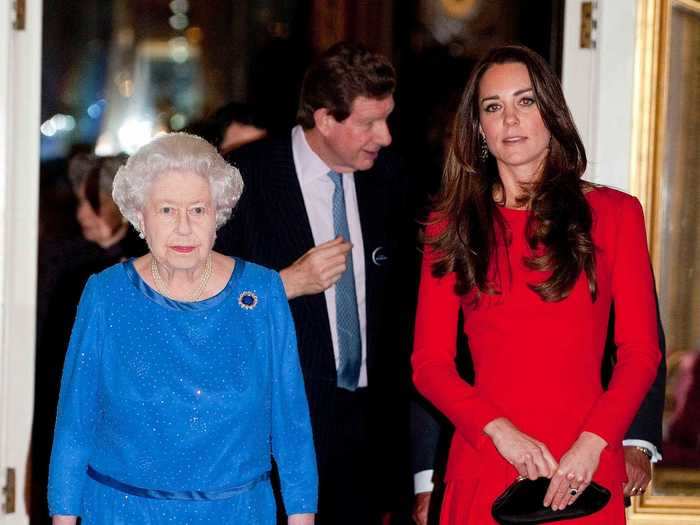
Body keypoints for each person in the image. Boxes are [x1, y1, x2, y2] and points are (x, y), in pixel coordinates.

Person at [411, 45, 661, 524]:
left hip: (585, 466)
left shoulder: (615, 215)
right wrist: (500, 432)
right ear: (479, 129)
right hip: (486, 457)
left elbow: (641, 352)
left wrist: (595, 443)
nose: (511, 119)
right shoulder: (451, 225)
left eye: (525, 101)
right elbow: (429, 364)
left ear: (551, 112)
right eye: (493, 107)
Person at [47, 133, 317, 525]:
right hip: (123, 513)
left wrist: (302, 516)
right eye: (167, 211)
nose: (184, 228)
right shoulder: (106, 294)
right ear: (141, 217)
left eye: (198, 210)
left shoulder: (262, 293)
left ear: (218, 214)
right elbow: (75, 422)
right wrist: (63, 519)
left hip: (235, 514)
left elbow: (291, 423)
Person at [216, 42, 417, 524]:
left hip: (369, 435)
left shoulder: (394, 180)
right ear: (325, 118)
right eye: (369, 123)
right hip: (273, 435)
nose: (385, 136)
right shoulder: (243, 180)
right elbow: (200, 306)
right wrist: (284, 284)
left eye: (387, 119)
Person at [31, 153, 147, 524]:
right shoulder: (68, 261)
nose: (82, 213)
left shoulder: (141, 266)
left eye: (90, 202)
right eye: (79, 202)